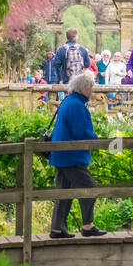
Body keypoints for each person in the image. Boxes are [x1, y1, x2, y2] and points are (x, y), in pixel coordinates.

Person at [48, 71, 106, 238]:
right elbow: (81, 132)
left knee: (64, 193)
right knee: (89, 190)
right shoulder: (77, 106)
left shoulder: (68, 102)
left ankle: (57, 228)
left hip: (61, 155)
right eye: (91, 89)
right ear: (84, 89)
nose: (92, 92)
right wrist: (99, 141)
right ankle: (88, 226)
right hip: (71, 157)